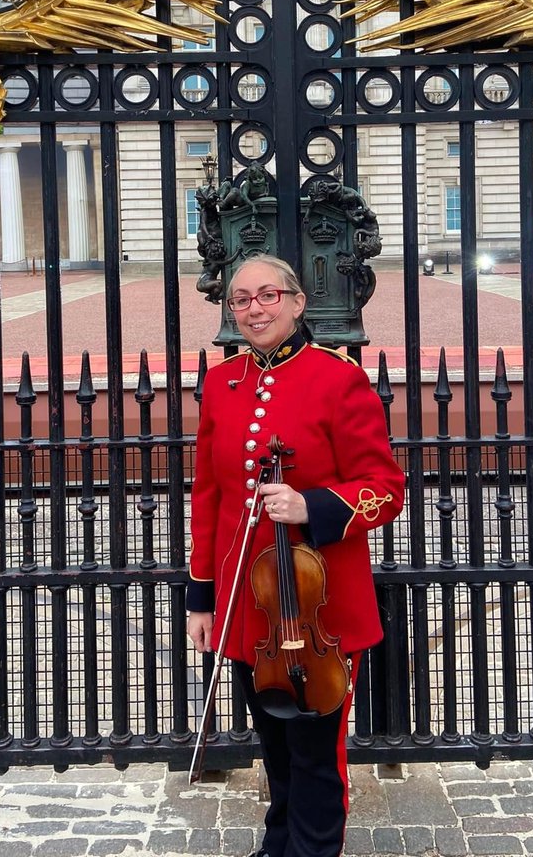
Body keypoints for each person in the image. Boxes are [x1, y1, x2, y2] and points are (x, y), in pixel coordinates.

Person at [186, 255, 405, 857]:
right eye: (240, 300)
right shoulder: (221, 382)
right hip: (245, 604)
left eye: (267, 296)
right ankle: (277, 843)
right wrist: (201, 598)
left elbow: (386, 488)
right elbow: (207, 496)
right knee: (274, 744)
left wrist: (315, 506)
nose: (254, 309)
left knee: (314, 753)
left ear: (298, 301)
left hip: (318, 603)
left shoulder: (338, 379)